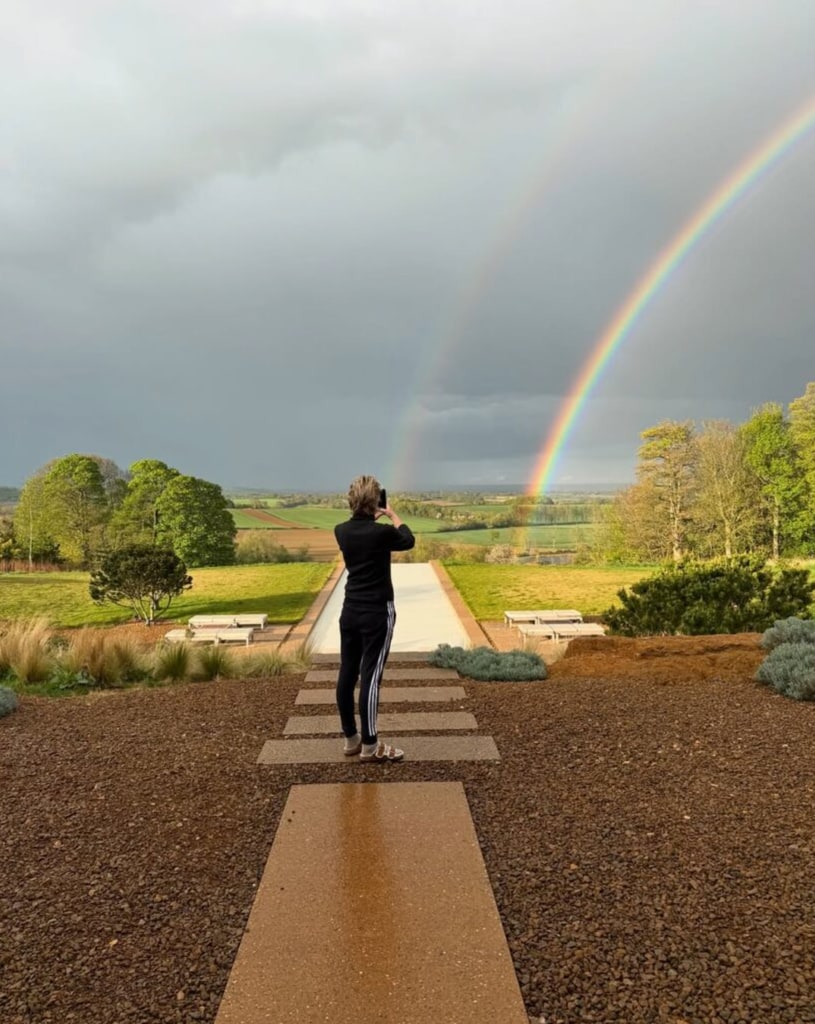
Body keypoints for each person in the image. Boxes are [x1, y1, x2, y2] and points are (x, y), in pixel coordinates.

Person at [334, 475, 415, 762]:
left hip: (350, 611)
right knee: (371, 677)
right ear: (375, 502)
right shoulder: (381, 533)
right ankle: (370, 746)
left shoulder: (340, 531)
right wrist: (392, 514)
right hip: (377, 612)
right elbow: (408, 540)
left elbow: (358, 530)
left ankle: (350, 738)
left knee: (347, 673)